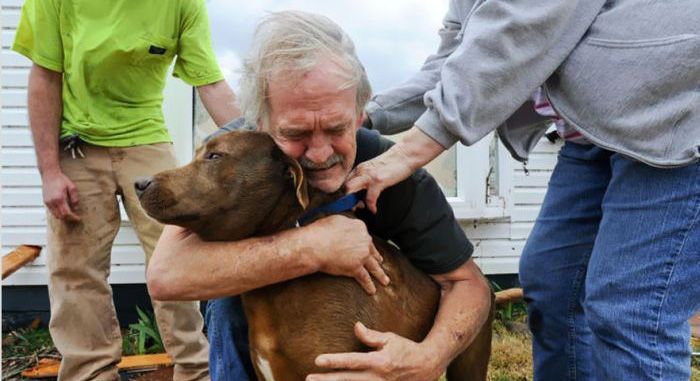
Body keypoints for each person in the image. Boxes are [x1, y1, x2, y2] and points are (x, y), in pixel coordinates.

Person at [345, 0, 700, 380]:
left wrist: (409, 152)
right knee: (554, 284)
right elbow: (452, 63)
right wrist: (362, 115)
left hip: (673, 120)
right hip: (594, 136)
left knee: (631, 309)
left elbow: (518, 31)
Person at [146, 11, 492, 381]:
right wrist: (311, 247)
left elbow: (468, 284)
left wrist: (428, 358)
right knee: (227, 298)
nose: (319, 153)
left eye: (335, 127)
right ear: (260, 122)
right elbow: (167, 276)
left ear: (360, 115)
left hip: (362, 313)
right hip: (263, 316)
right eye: (296, 133)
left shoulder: (394, 170)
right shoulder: (240, 153)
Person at [13, 0, 240, 380]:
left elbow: (210, 83)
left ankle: (196, 370)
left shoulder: (182, 4)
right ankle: (91, 372)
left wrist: (261, 142)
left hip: (146, 138)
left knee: (178, 253)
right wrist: (49, 172)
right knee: (76, 269)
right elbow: (44, 78)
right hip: (77, 142)